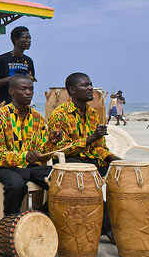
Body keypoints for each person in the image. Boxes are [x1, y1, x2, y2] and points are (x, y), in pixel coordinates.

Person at [47, 72, 121, 244]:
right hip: (68, 162)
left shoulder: (93, 114)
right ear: (72, 90)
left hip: (90, 161)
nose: (90, 88)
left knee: (121, 173)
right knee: (86, 179)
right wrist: (90, 138)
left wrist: (113, 158)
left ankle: (123, 221)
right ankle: (108, 227)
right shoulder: (59, 115)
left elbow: (99, 147)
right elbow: (60, 149)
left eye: (90, 84)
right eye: (85, 85)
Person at [0, 74, 61, 215]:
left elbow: (43, 155)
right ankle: (10, 222)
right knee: (17, 185)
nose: (28, 93)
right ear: (11, 91)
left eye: (31, 89)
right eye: (23, 89)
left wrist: (51, 143)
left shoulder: (37, 118)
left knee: (62, 180)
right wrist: (26, 156)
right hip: (6, 167)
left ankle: (41, 215)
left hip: (31, 167)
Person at [0, 26, 35, 109]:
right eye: (25, 38)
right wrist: (13, 79)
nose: (29, 41)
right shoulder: (2, 60)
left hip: (22, 107)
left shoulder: (29, 61)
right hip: (2, 106)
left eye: (29, 38)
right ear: (15, 40)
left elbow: (30, 82)